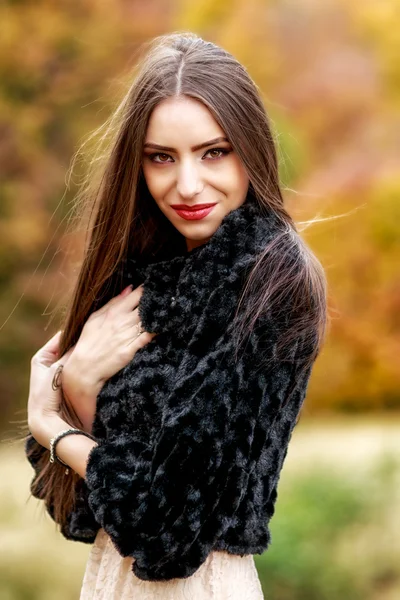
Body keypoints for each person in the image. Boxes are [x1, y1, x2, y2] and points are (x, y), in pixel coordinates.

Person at [25, 32, 328, 599]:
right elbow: (76, 510)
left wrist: (54, 418)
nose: (187, 184)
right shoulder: (143, 276)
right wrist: (83, 384)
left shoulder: (272, 283)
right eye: (161, 158)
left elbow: (166, 534)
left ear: (251, 149)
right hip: (108, 582)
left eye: (214, 152)